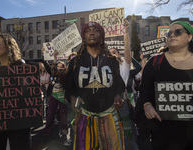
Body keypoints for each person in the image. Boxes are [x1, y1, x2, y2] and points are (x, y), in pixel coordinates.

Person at [64, 21, 125, 150]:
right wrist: (73, 98)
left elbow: (119, 84)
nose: (91, 32)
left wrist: (118, 95)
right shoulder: (75, 62)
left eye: (96, 30)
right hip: (85, 115)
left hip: (109, 114)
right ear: (84, 37)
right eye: (87, 31)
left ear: (102, 37)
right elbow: (69, 87)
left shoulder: (112, 60)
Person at [140, 21, 193, 150]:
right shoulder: (155, 61)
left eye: (178, 32)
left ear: (190, 37)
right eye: (168, 33)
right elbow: (144, 88)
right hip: (162, 131)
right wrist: (147, 105)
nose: (172, 35)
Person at [0, 33, 31, 150]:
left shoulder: (22, 68)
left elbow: (28, 92)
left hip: (18, 123)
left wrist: (35, 96)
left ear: (8, 46)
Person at [109, 19, 139, 150]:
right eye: (109, 53)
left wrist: (126, 31)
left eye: (114, 52)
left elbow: (128, 50)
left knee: (128, 133)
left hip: (123, 103)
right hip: (108, 105)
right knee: (111, 132)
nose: (112, 54)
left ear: (118, 54)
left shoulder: (124, 65)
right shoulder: (105, 67)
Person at [43, 50, 69, 144]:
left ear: (64, 67)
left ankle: (64, 132)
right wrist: (54, 58)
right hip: (53, 95)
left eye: (61, 66)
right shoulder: (53, 73)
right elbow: (51, 70)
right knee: (50, 114)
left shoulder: (64, 74)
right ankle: (47, 132)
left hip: (62, 96)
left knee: (63, 115)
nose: (58, 68)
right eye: (57, 66)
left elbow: (61, 77)